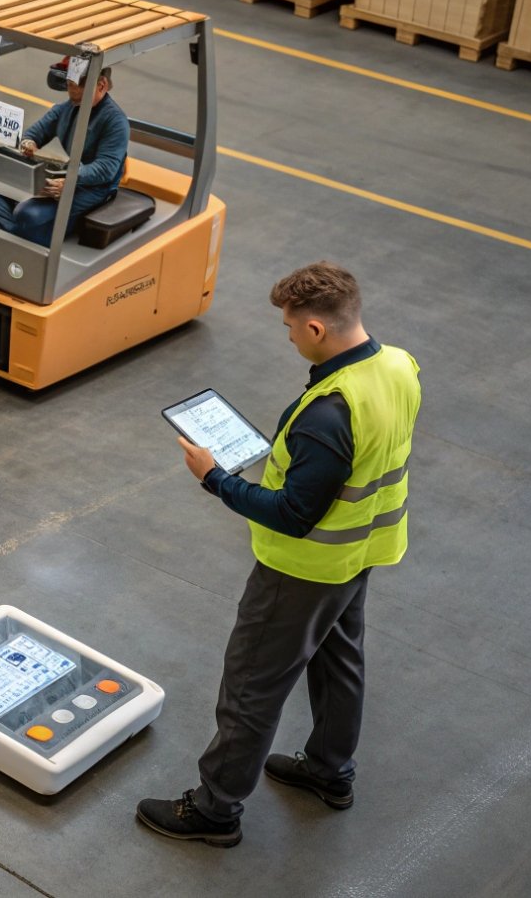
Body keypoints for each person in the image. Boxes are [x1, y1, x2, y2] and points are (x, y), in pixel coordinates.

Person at [135, 261, 422, 848]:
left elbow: (293, 514)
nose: (288, 336)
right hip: (361, 552)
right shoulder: (399, 365)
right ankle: (329, 771)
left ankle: (216, 810)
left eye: (291, 327)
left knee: (250, 689)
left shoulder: (328, 412)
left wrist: (214, 477)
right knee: (340, 662)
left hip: (303, 570)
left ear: (317, 328)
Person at [0, 63, 129, 247]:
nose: (70, 93)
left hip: (91, 189)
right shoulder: (69, 107)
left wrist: (70, 180)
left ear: (101, 85)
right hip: (66, 176)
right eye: (68, 86)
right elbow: (35, 132)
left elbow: (106, 168)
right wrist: (28, 143)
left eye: (76, 88)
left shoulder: (115, 122)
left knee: (27, 214)